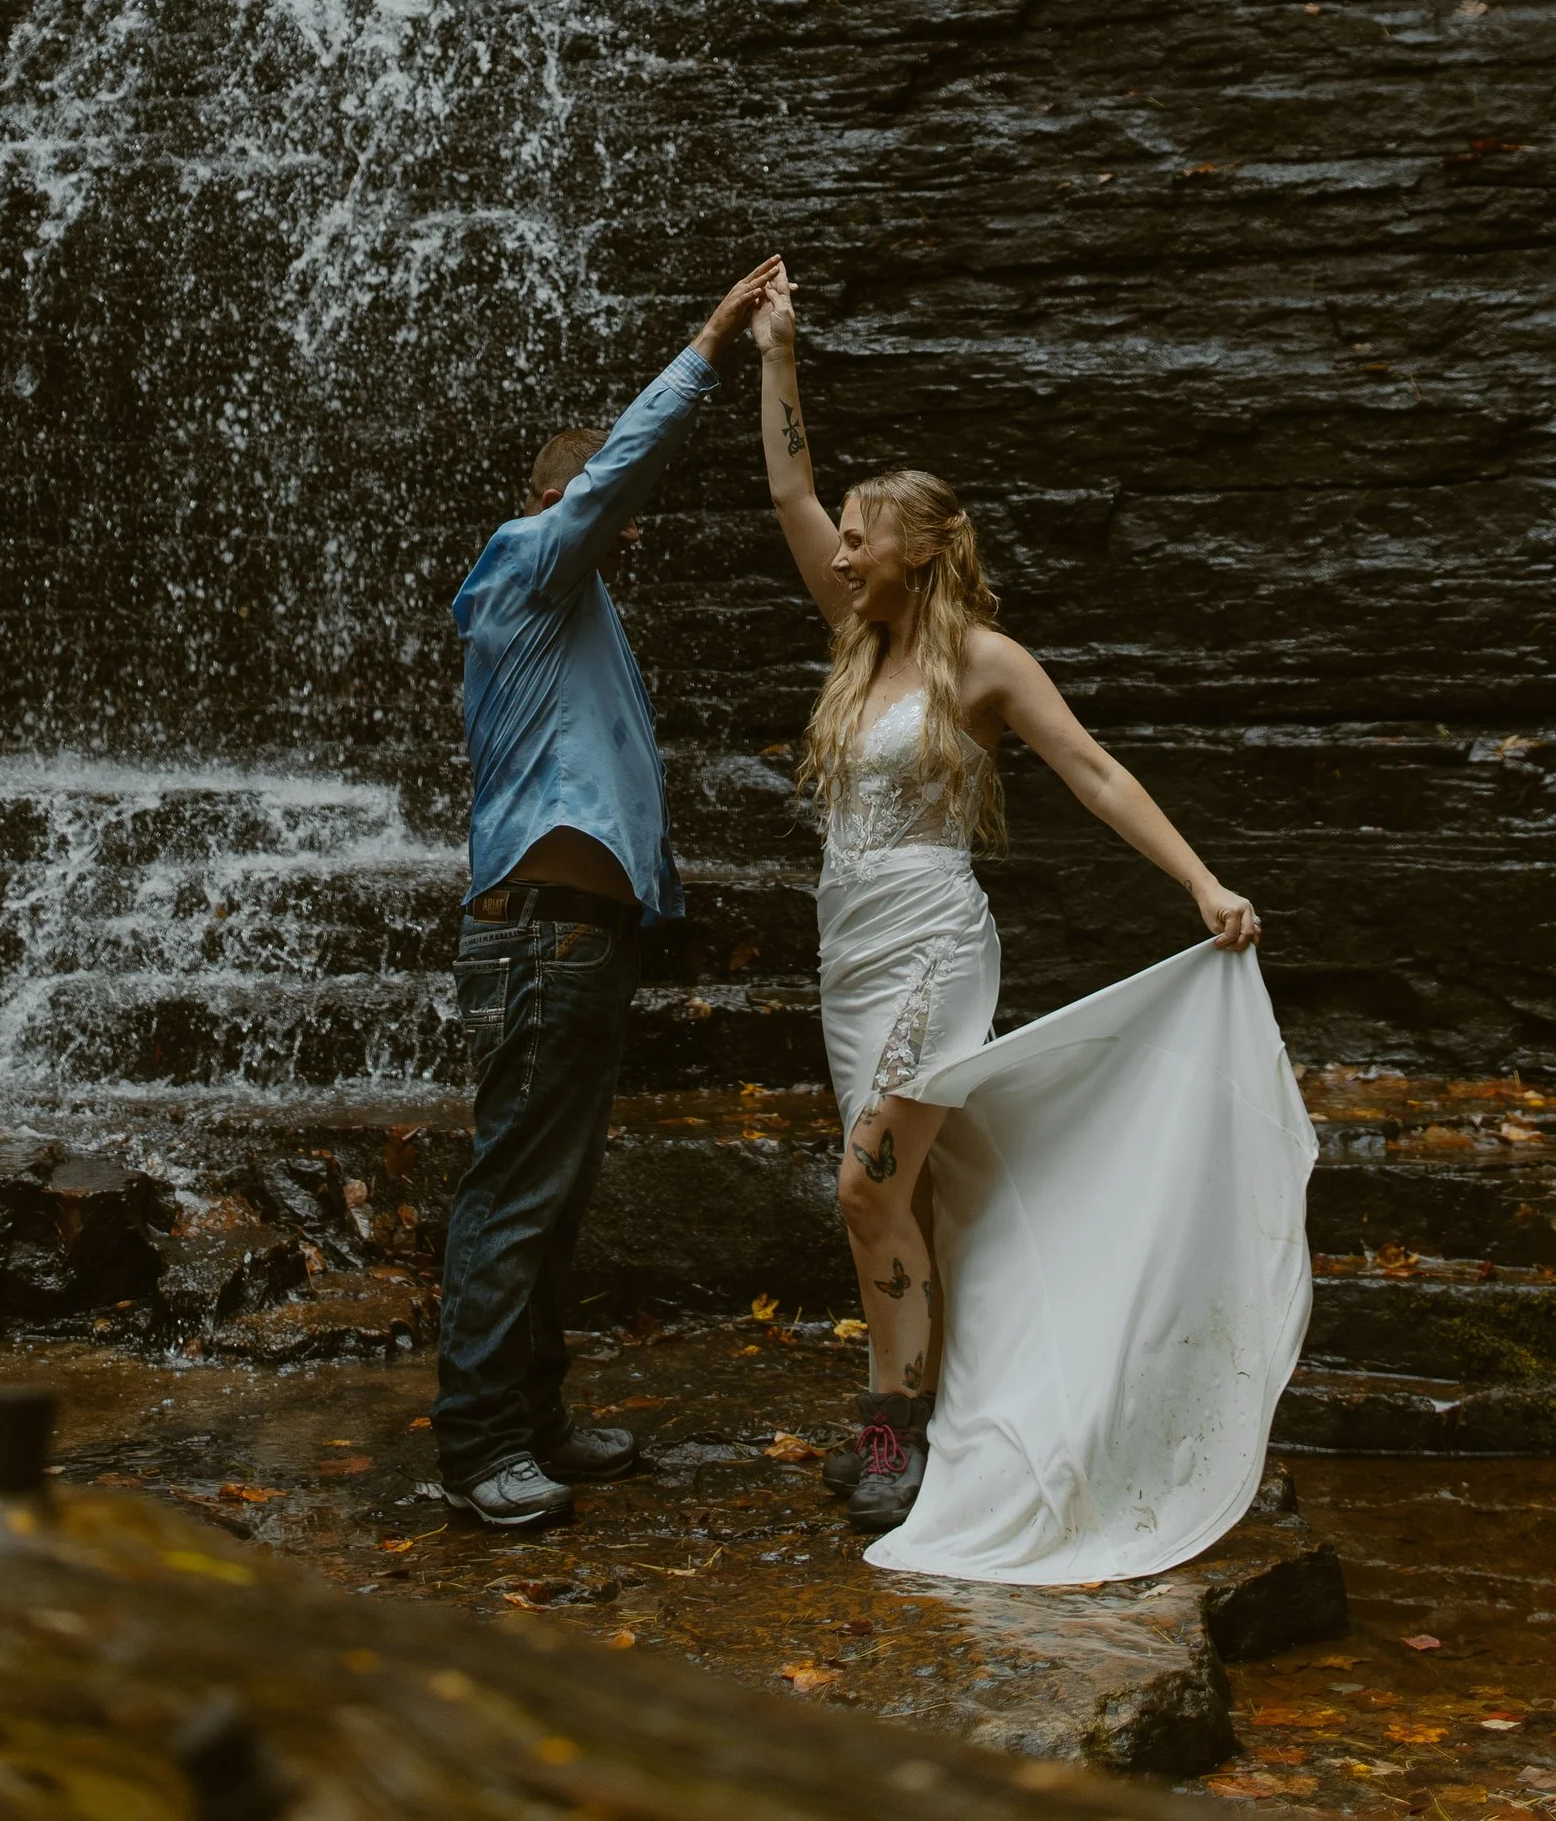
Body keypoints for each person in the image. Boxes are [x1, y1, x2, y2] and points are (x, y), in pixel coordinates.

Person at [752, 264, 1311, 1573]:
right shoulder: (855, 641)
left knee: (864, 1183)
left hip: (936, 942)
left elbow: (1096, 770)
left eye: (862, 533)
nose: (839, 547)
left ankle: (895, 1429)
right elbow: (787, 489)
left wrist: (1201, 879)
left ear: (922, 547)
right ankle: (932, 1409)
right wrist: (778, 354)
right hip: (849, 949)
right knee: (904, 1198)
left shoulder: (984, 662)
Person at [435, 256, 782, 1533]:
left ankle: (532, 1417)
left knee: (555, 1196)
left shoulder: (579, 617)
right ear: (555, 500)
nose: (623, 531)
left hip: (580, 942)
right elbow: (619, 471)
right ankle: (476, 1445)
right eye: (601, 509)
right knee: (515, 1190)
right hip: (541, 945)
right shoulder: (527, 562)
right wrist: (708, 342)